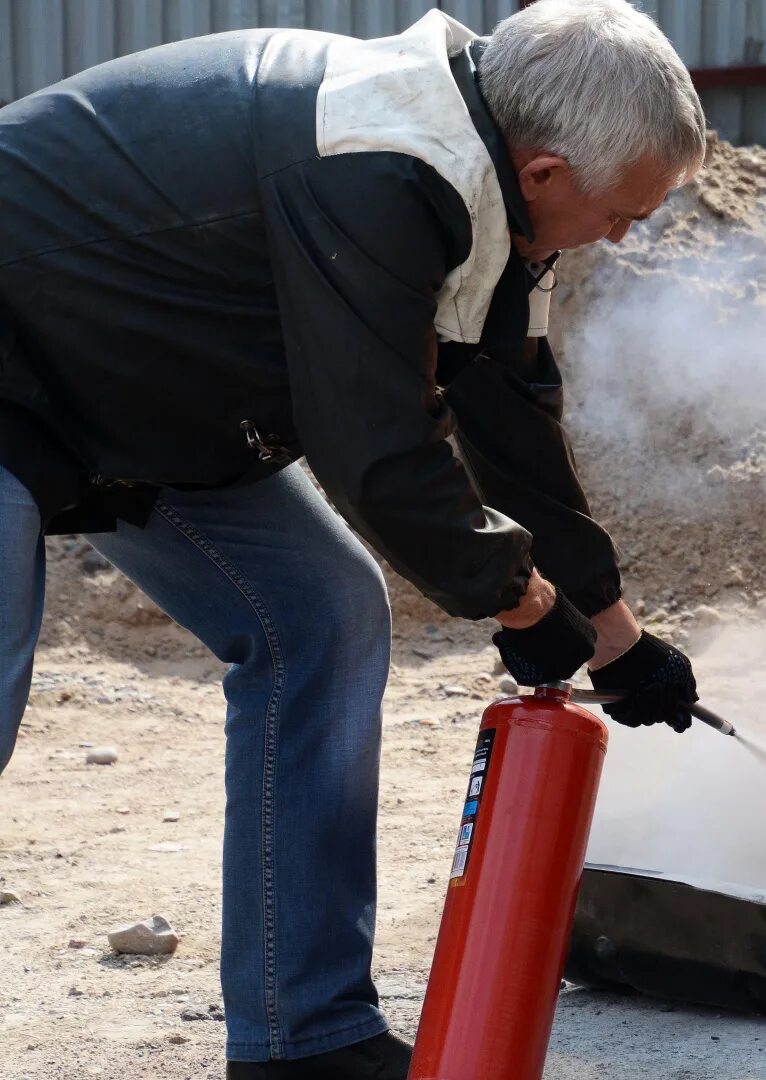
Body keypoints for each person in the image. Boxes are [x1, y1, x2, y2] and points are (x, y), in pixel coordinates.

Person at [0, 1, 705, 1076]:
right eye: (623, 215)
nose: (621, 237)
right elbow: (378, 453)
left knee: (319, 613)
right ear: (547, 172)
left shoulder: (486, 185)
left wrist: (611, 632)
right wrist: (519, 603)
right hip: (22, 371)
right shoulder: (379, 166)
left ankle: (303, 1039)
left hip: (121, 392)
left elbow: (511, 418)